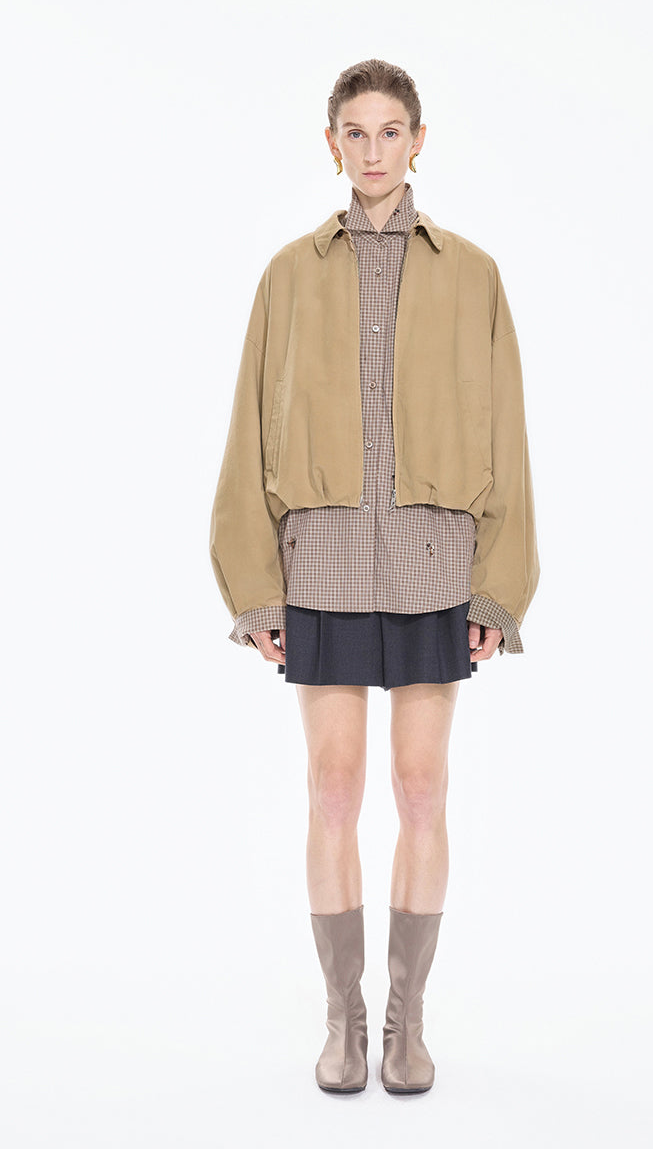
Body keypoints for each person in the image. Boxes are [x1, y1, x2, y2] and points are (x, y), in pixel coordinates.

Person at [209, 59, 539, 1095]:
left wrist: (500, 586)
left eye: (391, 130)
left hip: (436, 561)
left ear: (419, 140)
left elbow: (509, 434)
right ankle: (343, 1021)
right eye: (355, 132)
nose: (374, 149)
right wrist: (253, 584)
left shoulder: (473, 274)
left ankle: (408, 1020)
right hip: (324, 559)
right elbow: (248, 429)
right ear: (332, 145)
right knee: (334, 786)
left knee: (422, 787)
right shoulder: (288, 275)